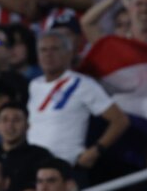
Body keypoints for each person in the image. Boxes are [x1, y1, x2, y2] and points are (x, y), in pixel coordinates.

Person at [27, 30, 128, 168]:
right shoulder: (34, 85)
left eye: (54, 49)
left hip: (67, 167)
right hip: (35, 168)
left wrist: (96, 151)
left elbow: (120, 120)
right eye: (43, 50)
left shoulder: (82, 84)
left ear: (69, 54)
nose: (48, 54)